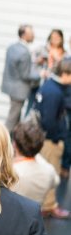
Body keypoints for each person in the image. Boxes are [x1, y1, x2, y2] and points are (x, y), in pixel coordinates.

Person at [33, 57, 71, 218]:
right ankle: (48, 206)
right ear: (66, 73)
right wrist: (57, 138)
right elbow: (48, 121)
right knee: (51, 174)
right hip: (50, 140)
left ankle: (47, 205)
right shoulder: (54, 92)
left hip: (46, 138)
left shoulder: (49, 85)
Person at [1, 24, 43, 131]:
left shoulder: (12, 47)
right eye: (31, 33)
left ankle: (15, 141)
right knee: (12, 118)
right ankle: (1, 142)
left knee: (15, 117)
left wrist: (34, 62)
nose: (34, 36)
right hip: (19, 90)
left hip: (11, 87)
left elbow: (16, 66)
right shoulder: (24, 51)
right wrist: (41, 74)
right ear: (24, 35)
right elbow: (25, 74)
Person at [11, 120, 60, 208]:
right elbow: (56, 181)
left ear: (14, 145)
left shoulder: (11, 172)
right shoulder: (49, 171)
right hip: (34, 218)